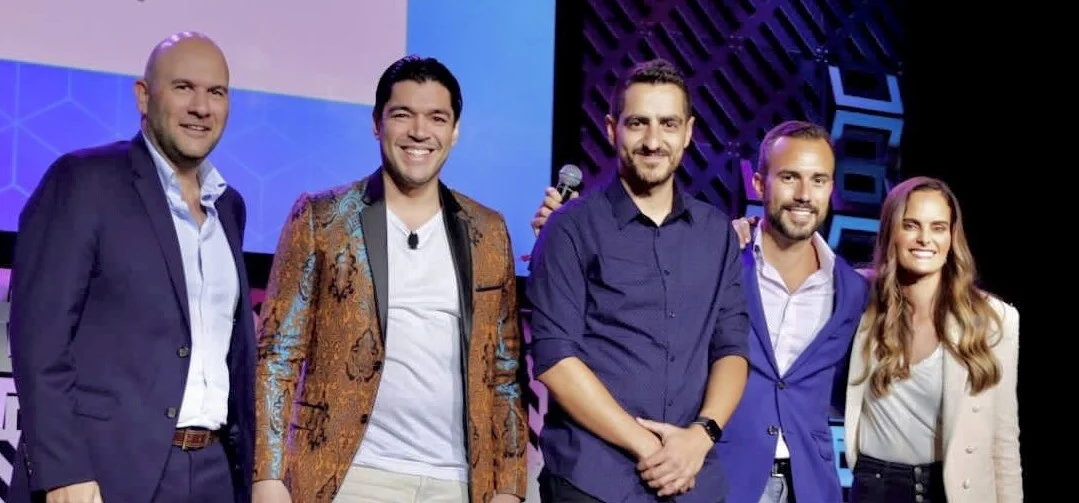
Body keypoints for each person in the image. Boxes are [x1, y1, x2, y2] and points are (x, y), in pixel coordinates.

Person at [530, 120, 871, 503]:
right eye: (790, 177)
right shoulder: (715, 257)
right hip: (722, 473)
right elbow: (639, 286)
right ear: (760, 184)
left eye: (819, 180)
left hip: (811, 484)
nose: (804, 194)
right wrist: (562, 232)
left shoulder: (853, 290)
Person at [250, 55, 527, 503]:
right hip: (351, 476)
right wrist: (268, 476)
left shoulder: (487, 231)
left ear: (454, 131)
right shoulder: (323, 219)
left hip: (456, 480)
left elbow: (505, 370)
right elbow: (278, 356)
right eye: (403, 115)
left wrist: (510, 488)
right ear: (377, 124)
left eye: (437, 118)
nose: (420, 132)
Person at [8, 32, 256, 503]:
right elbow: (39, 338)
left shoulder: (229, 208)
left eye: (216, 92)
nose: (201, 107)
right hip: (103, 470)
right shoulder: (84, 182)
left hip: (212, 475)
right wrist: (63, 470)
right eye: (184, 87)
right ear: (144, 96)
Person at [526, 58, 750, 503]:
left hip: (693, 482)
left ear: (688, 132)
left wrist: (700, 437)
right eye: (637, 124)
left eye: (668, 124)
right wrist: (650, 447)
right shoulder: (570, 228)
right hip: (593, 481)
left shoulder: (715, 232)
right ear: (612, 129)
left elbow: (732, 349)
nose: (653, 141)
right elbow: (555, 358)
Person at [843, 176, 1022, 503]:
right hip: (875, 485)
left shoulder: (993, 320)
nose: (925, 239)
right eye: (911, 225)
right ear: (890, 232)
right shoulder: (860, 297)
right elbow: (810, 268)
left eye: (938, 227)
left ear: (952, 237)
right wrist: (745, 234)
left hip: (952, 489)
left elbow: (1003, 438)